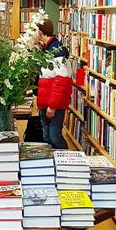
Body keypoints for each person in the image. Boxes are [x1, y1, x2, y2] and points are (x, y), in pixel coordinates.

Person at [36, 18, 70, 149]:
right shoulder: (45, 48)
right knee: (47, 136)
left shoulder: (57, 50)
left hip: (54, 103)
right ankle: (52, 163)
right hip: (45, 99)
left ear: (40, 33)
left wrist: (52, 106)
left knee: (55, 136)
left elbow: (61, 81)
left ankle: (67, 161)